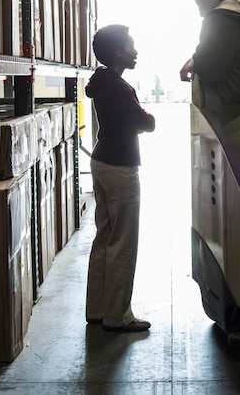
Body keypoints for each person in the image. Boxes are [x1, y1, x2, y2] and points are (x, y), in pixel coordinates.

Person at [85, 24, 155, 332]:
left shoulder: (102, 82)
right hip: (121, 168)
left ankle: (98, 309)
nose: (136, 51)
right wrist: (149, 117)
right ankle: (118, 316)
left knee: (105, 237)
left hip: (101, 162)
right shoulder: (120, 88)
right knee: (123, 243)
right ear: (117, 52)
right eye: (131, 46)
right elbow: (146, 123)